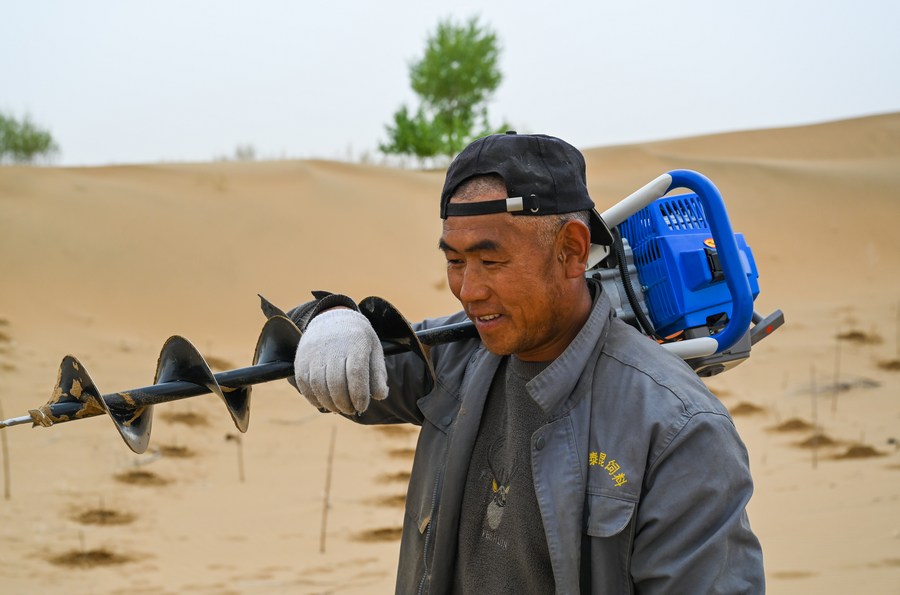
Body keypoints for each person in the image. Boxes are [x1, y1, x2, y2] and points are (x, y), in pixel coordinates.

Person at [288, 132, 765, 594]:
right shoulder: (459, 355)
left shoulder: (678, 429)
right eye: (455, 262)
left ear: (572, 251)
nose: (469, 291)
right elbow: (326, 373)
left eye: (490, 262)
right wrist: (326, 317)